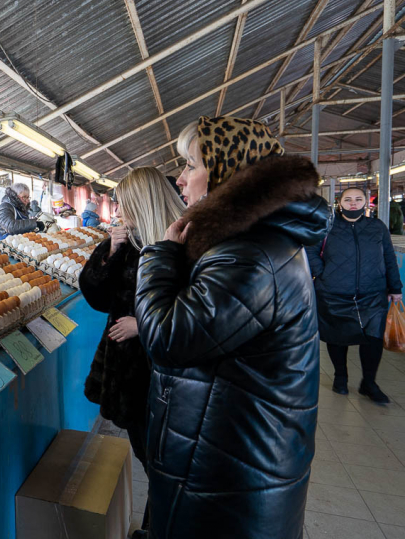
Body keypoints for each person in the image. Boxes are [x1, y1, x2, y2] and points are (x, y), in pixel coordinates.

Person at [135, 116, 330, 539]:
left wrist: (159, 256)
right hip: (230, 465)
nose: (181, 179)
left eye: (191, 165)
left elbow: (167, 338)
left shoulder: (249, 257)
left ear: (228, 171)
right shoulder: (254, 242)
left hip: (229, 484)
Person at [79, 167, 185, 539]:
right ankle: (155, 526)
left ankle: (159, 527)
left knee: (164, 464)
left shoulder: (181, 241)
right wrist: (109, 250)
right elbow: (94, 294)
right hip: (128, 372)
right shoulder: (128, 243)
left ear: (143, 201)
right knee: (149, 456)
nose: (119, 210)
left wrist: (143, 325)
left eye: (124, 202)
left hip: (162, 373)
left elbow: (195, 310)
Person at [307, 188, 402, 403]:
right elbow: (310, 251)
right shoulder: (327, 225)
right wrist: (323, 274)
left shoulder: (377, 227)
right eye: (348, 199)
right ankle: (340, 377)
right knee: (337, 337)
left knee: (373, 339)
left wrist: (395, 288)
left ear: (365, 203)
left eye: (358, 199)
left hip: (373, 293)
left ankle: (369, 383)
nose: (353, 203)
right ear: (340, 203)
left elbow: (388, 257)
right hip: (334, 292)